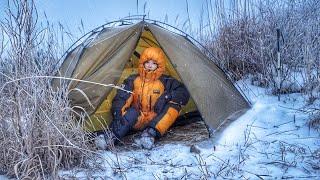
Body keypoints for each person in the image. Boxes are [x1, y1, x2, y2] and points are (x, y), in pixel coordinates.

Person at [96, 47, 190, 150]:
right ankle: (110, 137)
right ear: (143, 62)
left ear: (159, 65)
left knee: (174, 105)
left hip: (157, 119)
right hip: (138, 119)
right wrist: (118, 116)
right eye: (147, 62)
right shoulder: (133, 79)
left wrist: (166, 97)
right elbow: (120, 98)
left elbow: (184, 92)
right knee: (131, 111)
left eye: (154, 63)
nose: (150, 65)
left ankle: (149, 134)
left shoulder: (166, 80)